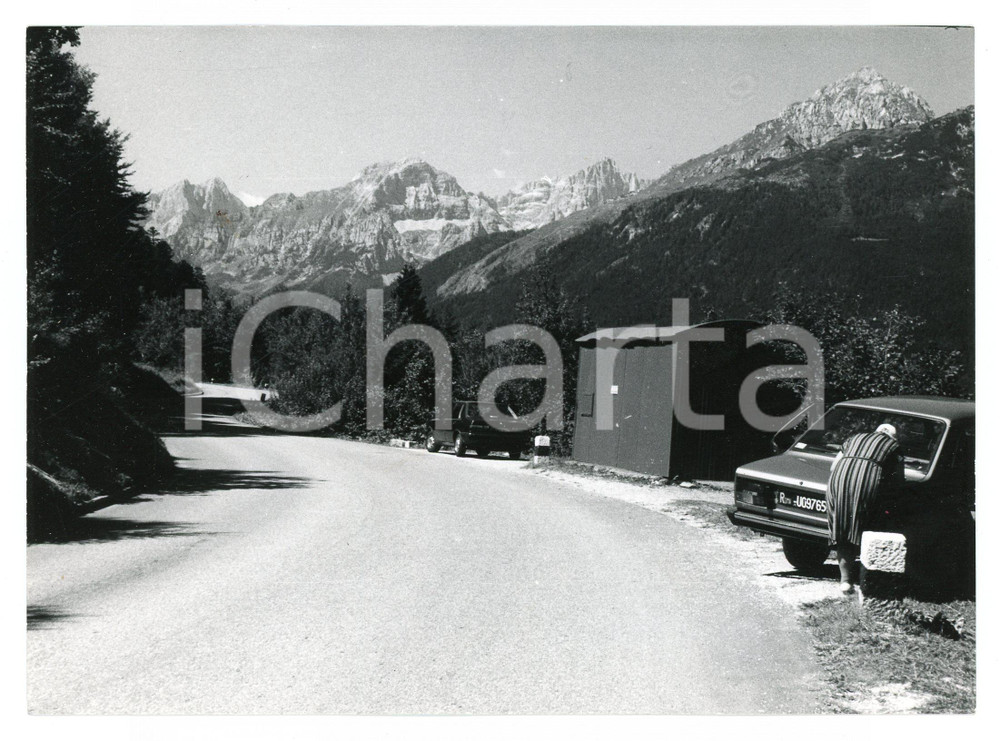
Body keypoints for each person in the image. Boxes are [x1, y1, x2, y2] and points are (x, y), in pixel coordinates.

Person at [826, 423, 906, 594]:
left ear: (877, 431)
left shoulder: (854, 438)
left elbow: (833, 467)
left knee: (843, 528)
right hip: (866, 480)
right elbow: (899, 480)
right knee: (867, 528)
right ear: (893, 436)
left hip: (839, 480)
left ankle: (845, 582)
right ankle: (868, 583)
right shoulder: (893, 446)